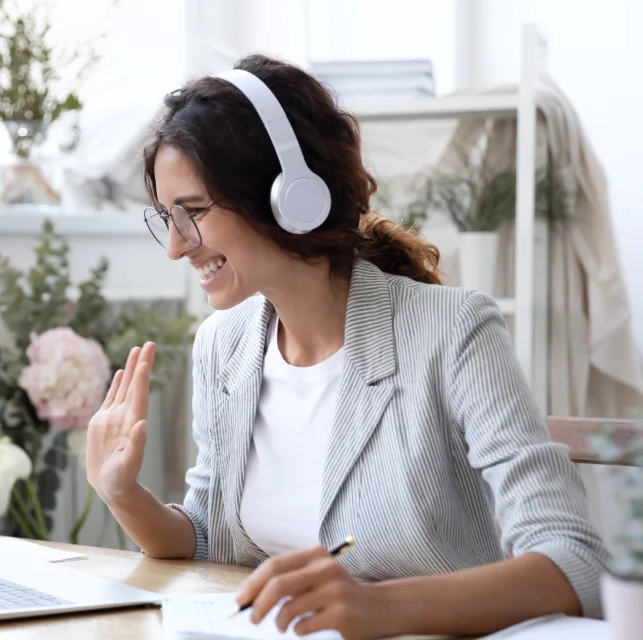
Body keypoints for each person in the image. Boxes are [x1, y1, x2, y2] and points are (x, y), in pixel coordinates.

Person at [85, 53, 608, 639]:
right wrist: (124, 495)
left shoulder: (454, 331)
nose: (176, 249)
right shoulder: (223, 345)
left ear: (287, 194)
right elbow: (210, 536)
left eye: (194, 213)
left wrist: (378, 609)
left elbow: (575, 564)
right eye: (166, 218)